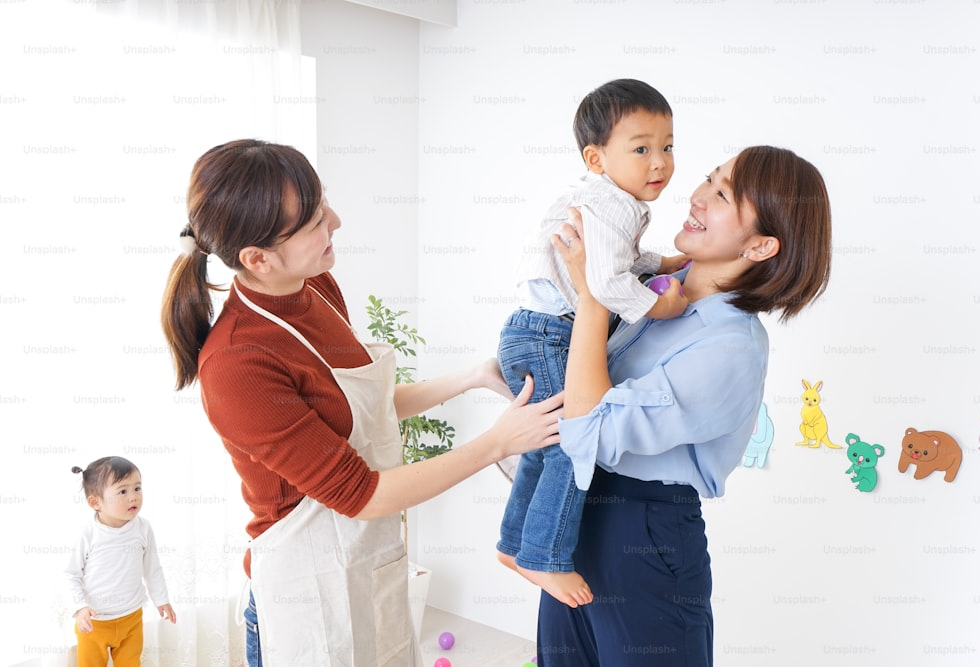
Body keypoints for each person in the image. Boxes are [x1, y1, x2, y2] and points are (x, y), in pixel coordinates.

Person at [160, 139, 563, 667]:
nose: (336, 221)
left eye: (324, 202)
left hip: (366, 565)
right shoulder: (238, 364)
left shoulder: (316, 286)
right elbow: (362, 494)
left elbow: (358, 415)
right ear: (257, 259)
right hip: (305, 593)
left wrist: (471, 377)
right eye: (314, 222)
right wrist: (496, 444)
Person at [539, 145, 832, 666]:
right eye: (708, 180)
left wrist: (592, 295)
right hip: (575, 514)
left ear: (761, 245)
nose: (697, 196)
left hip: (643, 534)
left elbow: (588, 429)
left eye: (723, 195)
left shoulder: (731, 346)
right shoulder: (650, 295)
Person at [496, 78, 689, 608]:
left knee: (546, 442)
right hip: (552, 333)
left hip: (529, 331)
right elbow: (602, 282)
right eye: (641, 149)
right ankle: (544, 555)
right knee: (574, 441)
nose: (660, 162)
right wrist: (661, 305)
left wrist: (660, 261)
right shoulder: (614, 205)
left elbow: (615, 258)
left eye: (668, 146)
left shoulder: (603, 198)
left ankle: (515, 543)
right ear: (596, 158)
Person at [65, 456, 176, 667]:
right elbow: (71, 574)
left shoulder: (143, 528)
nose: (133, 497)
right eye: (123, 491)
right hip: (95, 622)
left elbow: (152, 567)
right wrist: (80, 607)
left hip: (131, 617)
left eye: (137, 488)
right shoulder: (88, 534)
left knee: (131, 663)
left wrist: (161, 598)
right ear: (95, 502)